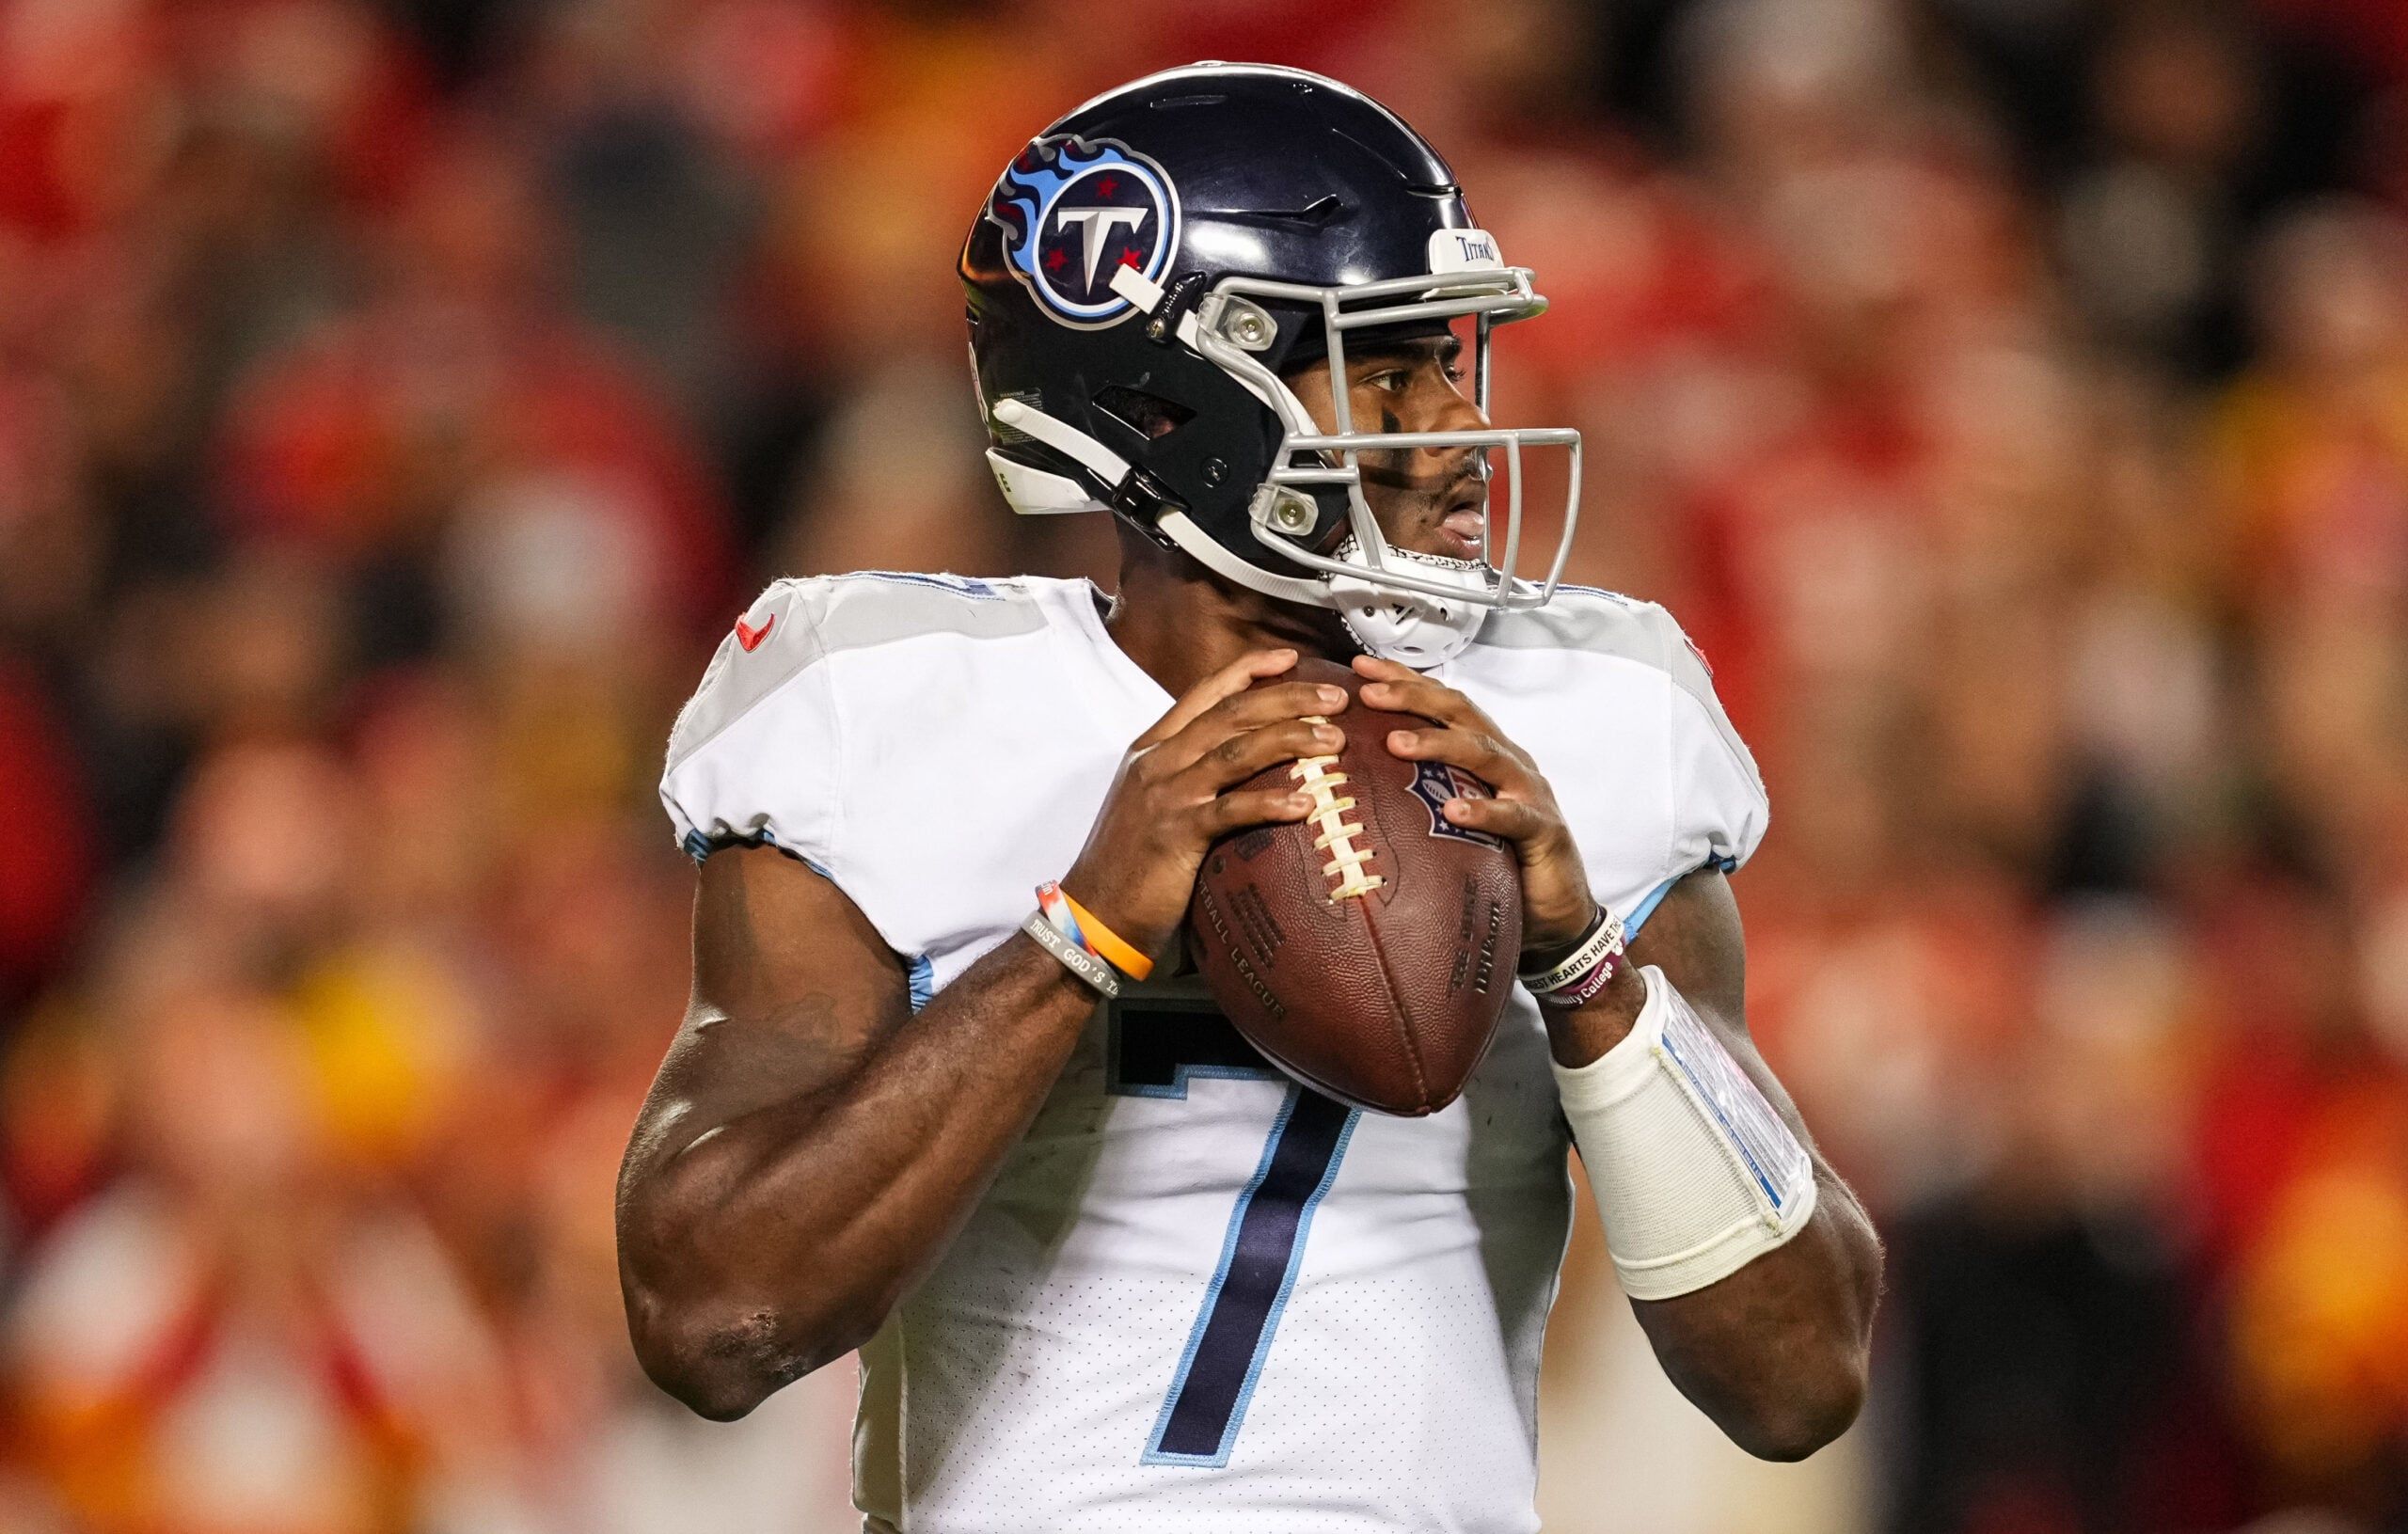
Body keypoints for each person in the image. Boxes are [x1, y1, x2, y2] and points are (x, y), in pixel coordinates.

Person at [615, 62, 1882, 1534]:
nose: (1454, 431)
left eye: (1452, 363)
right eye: (1386, 373)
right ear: (1174, 410)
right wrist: (1077, 939)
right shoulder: (886, 703)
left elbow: (1800, 1379)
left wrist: (1590, 972)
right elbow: (711, 1319)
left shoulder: (1585, 713)